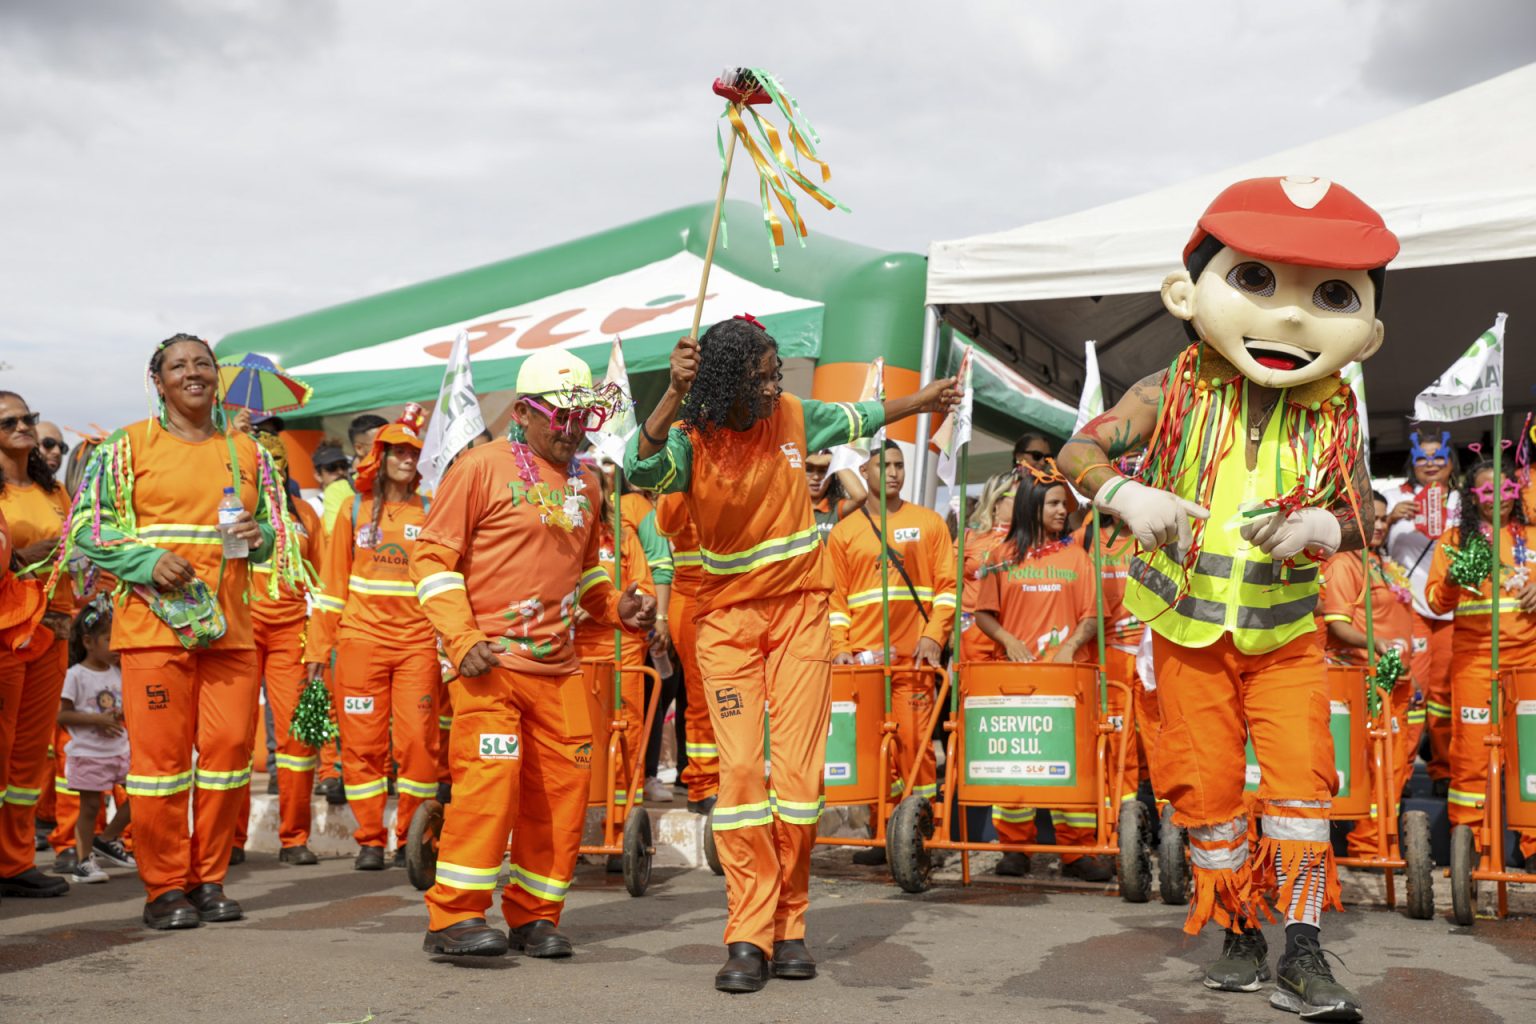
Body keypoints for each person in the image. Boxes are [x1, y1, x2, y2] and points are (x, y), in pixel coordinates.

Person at [1058, 178, 1394, 1020]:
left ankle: (1304, 952)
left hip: (1285, 635)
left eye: (1330, 298)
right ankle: (1240, 928)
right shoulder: (1170, 388)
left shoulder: (1335, 411)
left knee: (1302, 790)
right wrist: (1125, 494)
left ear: (1366, 333)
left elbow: (1363, 511)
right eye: (1256, 282)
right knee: (1204, 796)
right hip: (1185, 632)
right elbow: (1079, 451)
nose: (1290, 316)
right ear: (1187, 294)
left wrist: (1325, 524)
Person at [626, 315, 957, 993]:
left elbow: (864, 414)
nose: (774, 384)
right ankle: (747, 936)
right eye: (763, 375)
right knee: (743, 775)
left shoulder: (796, 416)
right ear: (727, 380)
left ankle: (790, 928)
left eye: (776, 372)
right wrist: (671, 394)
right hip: (725, 627)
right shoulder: (691, 435)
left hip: (803, 619)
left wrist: (924, 400)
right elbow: (640, 466)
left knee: (800, 785)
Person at [411, 349, 654, 960]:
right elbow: (432, 560)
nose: (573, 430)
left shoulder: (587, 482)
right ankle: (454, 918)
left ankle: (535, 916)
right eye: (560, 417)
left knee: (563, 795)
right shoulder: (478, 468)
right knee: (489, 789)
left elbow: (589, 572)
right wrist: (462, 640)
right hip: (490, 664)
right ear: (522, 412)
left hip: (559, 668)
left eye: (582, 417)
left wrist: (618, 608)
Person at [65, 333, 304, 929]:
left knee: (228, 756)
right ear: (159, 380)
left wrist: (260, 536)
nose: (193, 372)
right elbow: (89, 527)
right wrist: (146, 561)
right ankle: (165, 887)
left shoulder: (246, 450)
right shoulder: (127, 446)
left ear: (216, 377)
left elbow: (273, 532)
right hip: (152, 629)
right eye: (179, 365)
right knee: (161, 765)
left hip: (230, 631)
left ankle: (209, 879)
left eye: (203, 363)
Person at [304, 407, 439, 871]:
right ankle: (369, 840)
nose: (406, 459)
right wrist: (317, 649)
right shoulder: (353, 509)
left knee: (417, 743)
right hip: (360, 644)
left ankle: (410, 839)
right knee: (362, 745)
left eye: (412, 453)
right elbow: (331, 587)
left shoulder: (430, 510)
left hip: (417, 644)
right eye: (397, 451)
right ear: (378, 457)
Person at [974, 461, 1110, 882]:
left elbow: (1093, 616)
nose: (1061, 510)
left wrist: (1069, 647)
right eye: (1053, 503)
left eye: (1063, 504)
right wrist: (1008, 640)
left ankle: (1077, 852)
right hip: (1017, 681)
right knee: (1017, 763)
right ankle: (1014, 849)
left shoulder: (1077, 557)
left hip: (1068, 681)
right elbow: (983, 613)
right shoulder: (1000, 557)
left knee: (1073, 767)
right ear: (1032, 506)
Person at [827, 441, 954, 865]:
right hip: (864, 666)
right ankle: (883, 833)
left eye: (900, 465)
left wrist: (933, 636)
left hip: (914, 661)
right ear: (864, 472)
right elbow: (835, 601)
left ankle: (920, 837)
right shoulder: (844, 533)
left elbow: (948, 589)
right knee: (872, 754)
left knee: (915, 747)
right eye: (885, 466)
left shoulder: (930, 523)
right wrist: (841, 648)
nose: (895, 472)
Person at [1426, 460, 1536, 862]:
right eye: (1488, 491)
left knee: (1531, 754)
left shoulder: (1532, 535)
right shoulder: (1454, 540)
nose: (1498, 498)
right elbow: (1435, 601)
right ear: (1473, 497)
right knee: (1471, 754)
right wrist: (1452, 579)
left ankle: (1533, 843)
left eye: (1506, 489)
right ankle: (1468, 844)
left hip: (1528, 666)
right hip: (1475, 666)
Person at [237, 431, 324, 866]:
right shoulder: (236, 510)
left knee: (298, 738)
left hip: (292, 634)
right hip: (241, 630)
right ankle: (229, 839)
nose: (273, 468)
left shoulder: (305, 514)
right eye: (263, 462)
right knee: (233, 736)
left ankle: (294, 839)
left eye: (278, 460)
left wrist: (319, 646)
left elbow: (324, 585)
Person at [1322, 492, 1424, 860]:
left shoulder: (1379, 561)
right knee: (1373, 766)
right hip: (1365, 682)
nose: (1379, 525)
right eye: (1372, 518)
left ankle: (1382, 842)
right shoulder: (1343, 563)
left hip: (1397, 680)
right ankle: (1368, 847)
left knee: (1394, 768)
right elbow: (1337, 625)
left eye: (1383, 519)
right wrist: (1375, 643)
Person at [0, 390, 72, 900]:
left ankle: (15, 862)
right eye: (9, 421)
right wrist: (23, 557)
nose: (24, 426)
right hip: (7, 631)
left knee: (30, 756)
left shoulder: (54, 491)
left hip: (54, 629)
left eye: (29, 418)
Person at [575, 464, 655, 831]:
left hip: (622, 650)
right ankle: (573, 820)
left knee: (627, 734)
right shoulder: (558, 534)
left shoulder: (622, 536)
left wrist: (629, 605)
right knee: (577, 739)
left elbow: (645, 589)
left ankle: (622, 825)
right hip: (572, 653)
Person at [1384, 431, 1462, 795]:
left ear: (1451, 462)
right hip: (1410, 607)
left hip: (1450, 609)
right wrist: (1390, 518)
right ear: (1411, 462)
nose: (1430, 464)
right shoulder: (1394, 496)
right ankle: (1399, 772)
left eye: (1438, 457)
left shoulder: (1464, 500)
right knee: (1412, 690)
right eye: (1422, 458)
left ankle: (1443, 770)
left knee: (1444, 694)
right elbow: (1367, 536)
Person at [56, 602, 133, 884]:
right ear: (88, 642)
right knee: (89, 808)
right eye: (110, 639)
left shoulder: (119, 672)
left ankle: (108, 838)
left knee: (140, 796)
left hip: (120, 751)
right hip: (88, 753)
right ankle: (83, 861)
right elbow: (61, 715)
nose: (116, 646)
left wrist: (120, 714)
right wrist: (97, 720)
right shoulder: (75, 674)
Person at [653, 492, 719, 812]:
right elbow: (666, 524)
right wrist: (684, 478)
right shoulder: (680, 475)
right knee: (703, 696)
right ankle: (704, 784)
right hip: (693, 596)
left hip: (737, 594)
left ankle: (731, 778)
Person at [957, 471, 1017, 665]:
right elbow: (950, 584)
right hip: (972, 632)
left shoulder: (1029, 540)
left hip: (1011, 631)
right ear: (996, 500)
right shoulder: (969, 537)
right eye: (1018, 497)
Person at [805, 449, 867, 542]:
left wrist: (833, 460)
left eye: (823, 471)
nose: (816, 477)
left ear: (831, 478)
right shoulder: (788, 506)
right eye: (808, 470)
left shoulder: (836, 509)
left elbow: (860, 497)